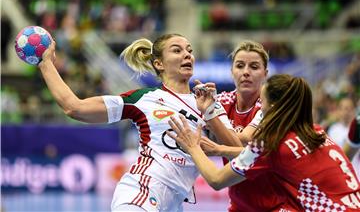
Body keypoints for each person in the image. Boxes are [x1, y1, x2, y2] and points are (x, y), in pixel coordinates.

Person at [38, 33, 232, 211]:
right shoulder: (143, 98)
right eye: (177, 50)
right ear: (159, 64)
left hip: (174, 203)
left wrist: (210, 113)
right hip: (141, 192)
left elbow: (239, 151)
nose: (187, 55)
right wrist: (46, 64)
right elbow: (75, 108)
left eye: (190, 50)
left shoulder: (209, 103)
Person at [168, 74, 360, 211]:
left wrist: (193, 147)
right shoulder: (315, 132)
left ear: (274, 107)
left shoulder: (271, 142)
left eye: (263, 102)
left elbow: (217, 180)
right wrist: (220, 149)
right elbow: (275, 156)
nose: (261, 107)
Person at [199, 40, 286, 211]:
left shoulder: (274, 106)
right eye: (240, 66)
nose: (246, 72)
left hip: (276, 204)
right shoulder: (222, 101)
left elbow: (245, 145)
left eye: (254, 67)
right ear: (232, 71)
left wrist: (213, 119)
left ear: (265, 73)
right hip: (239, 203)